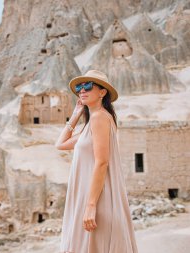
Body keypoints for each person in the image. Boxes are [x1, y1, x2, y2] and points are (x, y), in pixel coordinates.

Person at [55, 70, 138, 253]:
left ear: (102, 92)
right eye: (79, 87)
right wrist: (76, 114)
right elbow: (60, 144)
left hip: (95, 201)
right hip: (87, 199)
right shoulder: (92, 122)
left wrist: (91, 206)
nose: (81, 90)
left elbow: (102, 162)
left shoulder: (100, 117)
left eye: (88, 86)